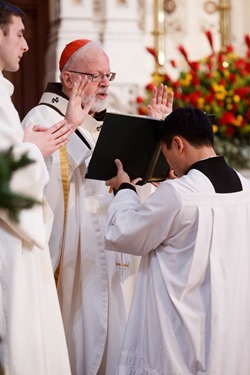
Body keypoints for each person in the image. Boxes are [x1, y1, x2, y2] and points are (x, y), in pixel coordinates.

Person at [22, 38, 173, 375]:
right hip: (74, 256)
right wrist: (73, 126)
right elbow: (37, 178)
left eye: (108, 75)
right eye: (96, 75)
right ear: (69, 78)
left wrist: (156, 134)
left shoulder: (107, 123)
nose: (105, 83)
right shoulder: (42, 116)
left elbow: (135, 184)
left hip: (114, 255)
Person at [105, 106, 250, 374]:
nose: (168, 164)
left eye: (166, 155)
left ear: (178, 144)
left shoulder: (178, 194)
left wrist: (124, 189)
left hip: (180, 333)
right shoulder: (245, 187)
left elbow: (125, 233)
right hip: (229, 329)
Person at [0, 2, 84, 374]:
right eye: (18, 34)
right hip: (9, 236)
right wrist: (31, 149)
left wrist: (29, 141)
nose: (26, 46)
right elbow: (6, 175)